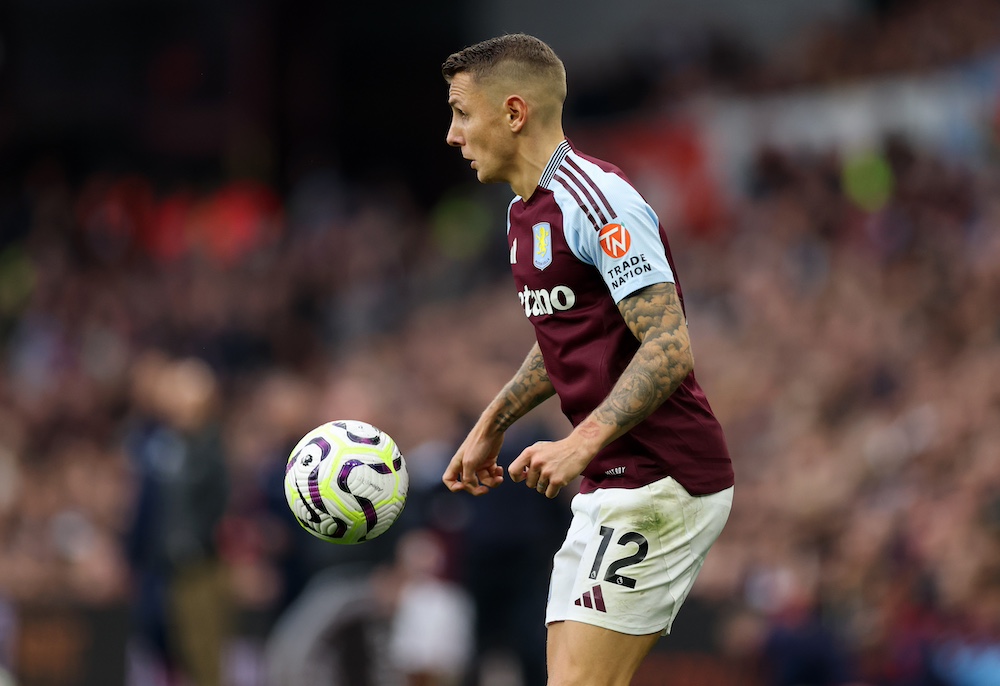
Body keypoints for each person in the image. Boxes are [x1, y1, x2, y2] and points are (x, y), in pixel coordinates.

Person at [439, 34, 735, 685]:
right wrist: (495, 421)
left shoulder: (597, 198)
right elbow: (565, 336)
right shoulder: (523, 212)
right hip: (610, 480)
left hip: (665, 477)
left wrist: (581, 440)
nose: (452, 135)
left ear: (514, 112)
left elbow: (669, 346)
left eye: (461, 112)